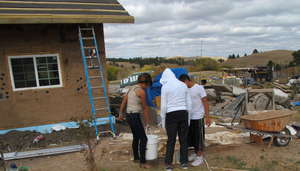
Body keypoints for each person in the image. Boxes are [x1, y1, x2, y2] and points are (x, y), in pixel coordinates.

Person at [118, 73, 152, 169]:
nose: (148, 86)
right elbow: (145, 108)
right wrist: (147, 123)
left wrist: (120, 113)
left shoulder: (131, 88)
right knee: (144, 139)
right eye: (148, 84)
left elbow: (124, 101)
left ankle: (136, 158)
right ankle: (143, 162)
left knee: (136, 137)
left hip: (129, 115)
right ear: (146, 83)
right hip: (134, 116)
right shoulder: (141, 92)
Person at [160, 68, 192, 171]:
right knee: (184, 140)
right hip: (183, 113)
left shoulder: (165, 87)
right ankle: (184, 163)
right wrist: (189, 119)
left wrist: (163, 120)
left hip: (171, 115)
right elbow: (189, 104)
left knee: (171, 140)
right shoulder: (183, 85)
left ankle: (168, 164)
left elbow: (163, 106)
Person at [179, 74, 211, 167]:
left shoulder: (199, 88)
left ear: (187, 81)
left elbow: (205, 102)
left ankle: (200, 156)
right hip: (189, 117)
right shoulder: (185, 89)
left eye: (183, 83)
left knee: (199, 138)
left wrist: (207, 117)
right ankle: (195, 153)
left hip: (198, 116)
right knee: (191, 138)